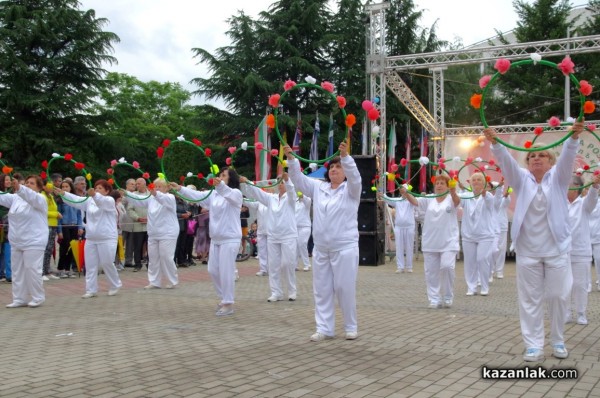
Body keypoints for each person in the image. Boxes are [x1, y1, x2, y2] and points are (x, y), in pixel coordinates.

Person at [484, 120, 584, 362]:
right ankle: (533, 345)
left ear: (550, 161)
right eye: (532, 156)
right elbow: (507, 163)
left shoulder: (559, 179)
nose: (537, 159)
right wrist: (495, 142)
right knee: (530, 299)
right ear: (527, 163)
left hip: (556, 249)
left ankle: (558, 340)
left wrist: (573, 138)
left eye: (542, 156)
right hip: (528, 250)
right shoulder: (520, 179)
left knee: (559, 296)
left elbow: (569, 158)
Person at [285, 141, 361, 341]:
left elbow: (355, 177)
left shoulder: (351, 190)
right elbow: (299, 180)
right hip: (321, 249)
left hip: (345, 247)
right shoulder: (319, 188)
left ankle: (350, 326)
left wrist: (346, 157)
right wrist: (292, 160)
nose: (335, 170)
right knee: (322, 289)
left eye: (339, 167)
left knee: (344, 288)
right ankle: (324, 328)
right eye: (333, 167)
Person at [170, 167, 243, 316]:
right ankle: (223, 298)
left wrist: (220, 185)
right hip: (216, 239)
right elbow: (197, 195)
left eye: (224, 176)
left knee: (226, 271)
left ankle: (228, 303)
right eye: (219, 175)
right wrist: (180, 189)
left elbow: (227, 193)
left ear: (231, 179)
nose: (220, 177)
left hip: (230, 238)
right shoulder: (214, 194)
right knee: (212, 270)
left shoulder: (236, 194)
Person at [57, 179, 122, 298]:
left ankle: (115, 285)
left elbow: (102, 201)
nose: (96, 190)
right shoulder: (89, 201)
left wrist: (95, 195)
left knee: (107, 262)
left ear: (107, 191)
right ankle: (91, 289)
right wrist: (64, 194)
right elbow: (76, 200)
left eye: (100, 188)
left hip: (107, 237)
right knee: (90, 265)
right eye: (96, 188)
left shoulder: (109, 200)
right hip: (91, 237)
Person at [403, 175, 460, 308]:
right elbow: (415, 201)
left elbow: (457, 202)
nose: (439, 185)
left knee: (447, 267)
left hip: (448, 241)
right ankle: (434, 299)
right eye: (437, 183)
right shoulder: (429, 199)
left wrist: (453, 192)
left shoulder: (451, 199)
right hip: (430, 242)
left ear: (447, 186)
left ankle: (447, 296)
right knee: (431, 272)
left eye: (442, 183)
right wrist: (406, 194)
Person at [241, 173, 298, 302]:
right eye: (279, 182)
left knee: (287, 264)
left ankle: (292, 290)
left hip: (288, 235)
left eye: (282, 182)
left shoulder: (290, 198)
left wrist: (288, 179)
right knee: (273, 265)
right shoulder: (270, 198)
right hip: (273, 236)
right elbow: (258, 193)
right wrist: (247, 181)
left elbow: (292, 190)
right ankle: (276, 292)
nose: (281, 184)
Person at [0, 175, 48, 308]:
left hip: (34, 240)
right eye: (26, 183)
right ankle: (19, 298)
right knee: (17, 271)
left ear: (39, 187)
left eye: (32, 183)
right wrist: (17, 188)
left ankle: (38, 297)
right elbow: (2, 196)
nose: (28, 185)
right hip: (16, 241)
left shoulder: (40, 199)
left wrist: (20, 187)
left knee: (32, 269)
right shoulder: (16, 198)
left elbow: (31, 197)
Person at [126, 178, 179, 289]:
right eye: (156, 186)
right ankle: (154, 281)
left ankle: (172, 280)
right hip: (153, 232)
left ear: (166, 188)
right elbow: (139, 200)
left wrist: (156, 194)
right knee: (153, 258)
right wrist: (126, 193)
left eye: (160, 186)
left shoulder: (170, 198)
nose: (157, 189)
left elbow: (162, 198)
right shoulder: (151, 198)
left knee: (166, 257)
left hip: (167, 232)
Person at [566, 174, 599, 325]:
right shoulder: (560, 204)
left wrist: (595, 186)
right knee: (564, 285)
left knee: (580, 284)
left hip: (580, 252)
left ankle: (580, 313)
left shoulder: (584, 204)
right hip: (562, 252)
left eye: (569, 185)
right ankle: (565, 312)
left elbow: (592, 199)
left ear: (576, 188)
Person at [458, 172, 496, 296]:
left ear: (483, 183)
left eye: (479, 180)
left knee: (482, 259)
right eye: (474, 180)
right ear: (470, 183)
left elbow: (490, 202)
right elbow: (456, 199)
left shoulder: (488, 196)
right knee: (469, 262)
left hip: (485, 235)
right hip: (468, 235)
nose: (476, 182)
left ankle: (484, 286)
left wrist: (484, 194)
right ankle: (471, 287)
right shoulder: (466, 196)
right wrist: (452, 190)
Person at [379, 191, 417, 273]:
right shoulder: (397, 200)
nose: (404, 193)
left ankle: (409, 266)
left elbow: (416, 202)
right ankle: (400, 267)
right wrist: (383, 195)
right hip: (399, 227)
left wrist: (408, 194)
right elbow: (388, 199)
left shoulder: (412, 201)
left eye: (405, 191)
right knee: (399, 246)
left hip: (409, 226)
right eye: (403, 191)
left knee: (409, 246)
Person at [56, 180, 83, 278]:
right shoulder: (60, 200)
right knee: (64, 248)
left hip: (74, 226)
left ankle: (68, 269)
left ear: (71, 188)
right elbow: (58, 217)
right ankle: (60, 269)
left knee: (72, 248)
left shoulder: (75, 199)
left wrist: (80, 227)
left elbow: (79, 215)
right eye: (63, 186)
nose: (64, 188)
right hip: (64, 226)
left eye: (67, 186)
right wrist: (59, 231)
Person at [127, 178, 149, 272]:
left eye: (139, 183)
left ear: (144, 184)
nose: (137, 185)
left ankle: (150, 264)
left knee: (150, 246)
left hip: (149, 225)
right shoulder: (133, 195)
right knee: (137, 246)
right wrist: (137, 218)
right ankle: (137, 264)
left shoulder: (150, 194)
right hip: (138, 225)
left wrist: (150, 218)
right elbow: (130, 209)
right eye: (136, 184)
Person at [41, 181, 61, 280]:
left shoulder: (51, 197)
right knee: (45, 249)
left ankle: (47, 270)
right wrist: (55, 214)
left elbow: (53, 208)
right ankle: (42, 272)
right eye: (48, 185)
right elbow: (44, 211)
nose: (51, 187)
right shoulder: (42, 196)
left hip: (53, 224)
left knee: (49, 249)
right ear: (43, 187)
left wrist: (56, 213)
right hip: (46, 224)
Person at [492, 183, 511, 279]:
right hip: (491, 227)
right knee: (492, 249)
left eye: (495, 188)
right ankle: (490, 270)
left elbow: (507, 201)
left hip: (502, 226)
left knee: (501, 249)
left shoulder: (504, 199)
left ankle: (499, 270)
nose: (493, 190)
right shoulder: (488, 199)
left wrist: (506, 195)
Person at [245, 199, 269, 276]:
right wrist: (241, 198)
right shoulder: (259, 203)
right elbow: (250, 203)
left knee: (272, 251)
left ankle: (272, 269)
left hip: (271, 230)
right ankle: (263, 269)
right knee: (261, 250)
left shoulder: (274, 200)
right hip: (261, 230)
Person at [295, 191, 312, 272]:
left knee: (302, 243)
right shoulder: (295, 201)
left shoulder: (307, 200)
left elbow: (305, 200)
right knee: (296, 246)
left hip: (305, 226)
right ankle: (295, 265)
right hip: (296, 227)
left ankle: (307, 264)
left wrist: (302, 195)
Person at [121, 178, 136, 267]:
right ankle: (117, 260)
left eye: (134, 184)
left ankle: (128, 261)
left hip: (133, 222)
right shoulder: (124, 195)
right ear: (126, 186)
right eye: (131, 184)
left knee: (131, 243)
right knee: (121, 242)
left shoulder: (135, 195)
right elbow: (120, 205)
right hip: (124, 222)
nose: (133, 186)